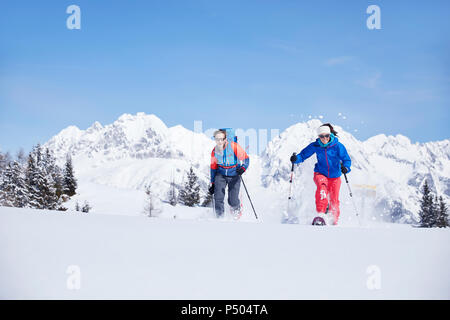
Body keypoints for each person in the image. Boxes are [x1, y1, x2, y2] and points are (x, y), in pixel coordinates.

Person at [290, 123, 351, 225]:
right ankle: (321, 215)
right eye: (321, 136)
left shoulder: (337, 146)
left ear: (330, 135)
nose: (324, 139)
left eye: (326, 136)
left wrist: (346, 168)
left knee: (334, 199)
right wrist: (296, 159)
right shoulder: (316, 145)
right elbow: (303, 155)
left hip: (335, 176)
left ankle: (333, 220)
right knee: (322, 189)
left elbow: (346, 160)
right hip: (320, 173)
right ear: (319, 137)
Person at [209, 129, 250, 218]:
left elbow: (246, 159)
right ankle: (219, 218)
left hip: (234, 174)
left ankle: (237, 212)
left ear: (225, 139)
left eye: (221, 139)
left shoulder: (234, 146)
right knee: (218, 198)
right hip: (220, 175)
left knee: (233, 200)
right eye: (217, 139)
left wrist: (243, 168)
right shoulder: (214, 151)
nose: (219, 141)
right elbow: (213, 168)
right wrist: (212, 183)